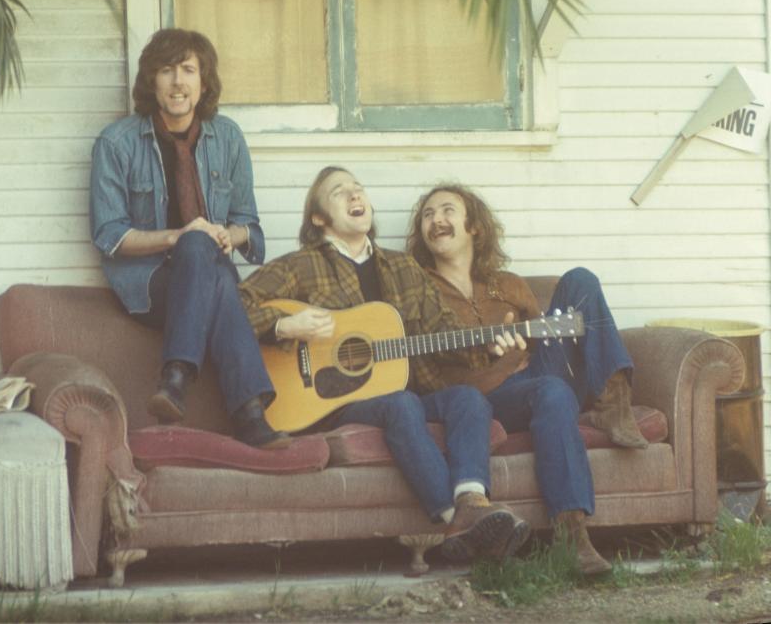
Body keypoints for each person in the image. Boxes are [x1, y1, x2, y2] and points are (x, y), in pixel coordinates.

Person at [238, 166, 531, 561]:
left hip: (403, 393)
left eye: (359, 188)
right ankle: (455, 520)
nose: (355, 195)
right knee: (401, 403)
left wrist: (490, 346)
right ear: (319, 218)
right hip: (333, 402)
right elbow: (232, 307)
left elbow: (443, 331)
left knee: (466, 398)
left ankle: (471, 501)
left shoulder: (403, 267)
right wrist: (283, 324)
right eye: (340, 192)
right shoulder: (299, 266)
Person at [407, 183, 649, 574]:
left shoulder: (508, 283)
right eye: (428, 215)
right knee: (551, 392)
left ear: (475, 228)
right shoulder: (417, 289)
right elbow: (422, 364)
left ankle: (612, 400)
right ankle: (573, 537)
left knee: (581, 280)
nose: (437, 220)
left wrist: (526, 342)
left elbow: (551, 340)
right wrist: (489, 353)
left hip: (534, 372)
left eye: (448, 210)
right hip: (487, 396)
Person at [89, 28, 289, 449]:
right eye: (166, 70)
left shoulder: (228, 137)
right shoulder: (116, 143)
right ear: (151, 81)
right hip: (151, 286)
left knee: (207, 257)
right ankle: (251, 414)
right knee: (197, 250)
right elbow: (108, 235)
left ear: (203, 81)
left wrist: (224, 235)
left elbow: (250, 229)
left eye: (188, 70)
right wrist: (180, 236)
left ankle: (176, 382)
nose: (178, 81)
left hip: (211, 271)